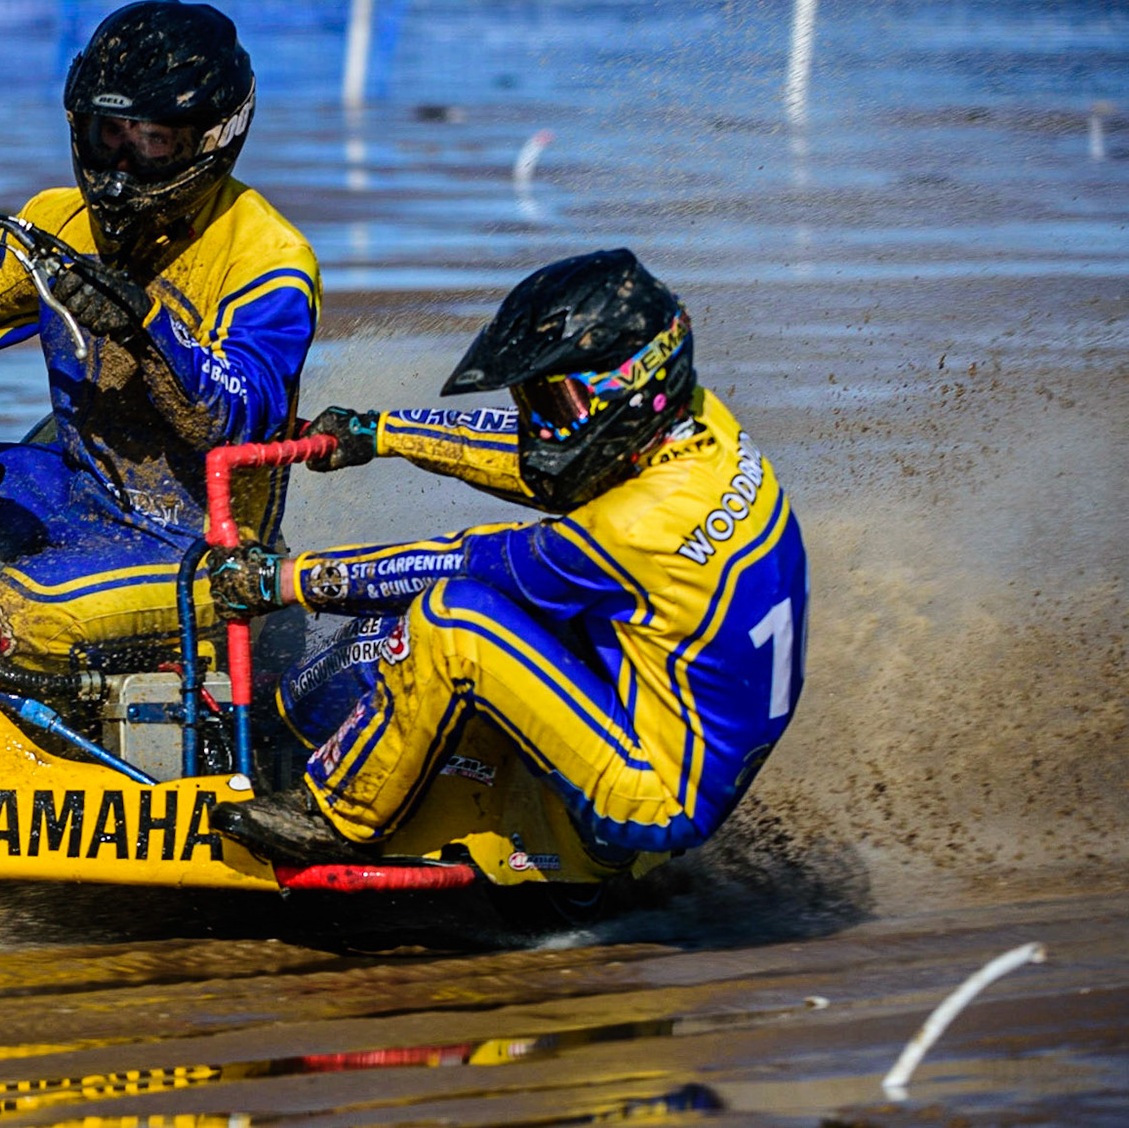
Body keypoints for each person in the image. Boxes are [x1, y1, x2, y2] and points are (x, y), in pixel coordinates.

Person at [207, 249, 808, 863]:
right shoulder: (700, 428)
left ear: (628, 387)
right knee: (488, 603)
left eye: (552, 403)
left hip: (657, 796)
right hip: (704, 731)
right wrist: (378, 431)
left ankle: (336, 816)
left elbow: (463, 563)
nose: (536, 423)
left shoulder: (636, 524)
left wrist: (282, 580)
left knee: (452, 622)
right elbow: (533, 458)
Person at [0, 0, 319, 677]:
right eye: (109, 136)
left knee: (9, 618)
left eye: (151, 141)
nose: (120, 169)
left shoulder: (268, 258)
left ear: (212, 138)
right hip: (72, 492)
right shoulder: (52, 222)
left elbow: (241, 419)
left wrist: (145, 327)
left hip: (203, 546)